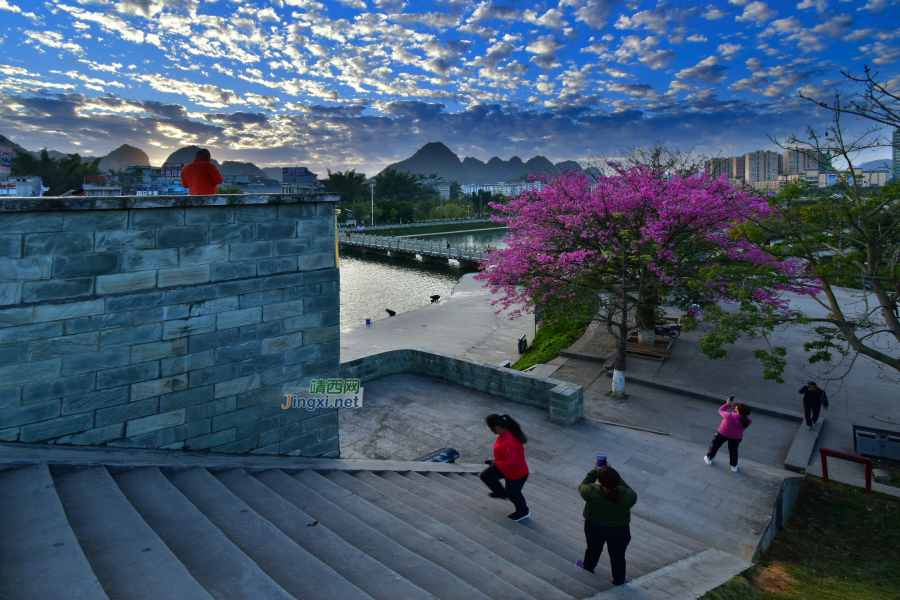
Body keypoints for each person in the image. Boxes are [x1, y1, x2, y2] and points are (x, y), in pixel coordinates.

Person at [576, 460, 637, 586]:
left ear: (600, 481)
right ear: (617, 480)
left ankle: (588, 568)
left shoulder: (591, 493)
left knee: (593, 549)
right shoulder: (628, 497)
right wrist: (614, 475)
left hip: (594, 528)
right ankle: (619, 581)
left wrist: (596, 471)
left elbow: (584, 484)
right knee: (618, 557)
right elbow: (628, 489)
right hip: (620, 531)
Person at [479, 414, 530, 521]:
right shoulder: (507, 433)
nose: (491, 430)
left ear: (496, 427)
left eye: (491, 428)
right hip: (505, 467)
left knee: (514, 494)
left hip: (516, 474)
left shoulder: (508, 442)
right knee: (486, 476)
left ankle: (523, 512)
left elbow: (514, 463)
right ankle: (501, 493)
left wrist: (496, 464)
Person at [704, 397, 752, 472]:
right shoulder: (748, 420)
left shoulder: (729, 416)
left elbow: (721, 410)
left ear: (737, 410)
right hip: (736, 438)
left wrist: (727, 404)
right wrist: (734, 406)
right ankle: (734, 466)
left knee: (715, 446)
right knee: (733, 450)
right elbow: (739, 415)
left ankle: (709, 459)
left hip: (722, 434)